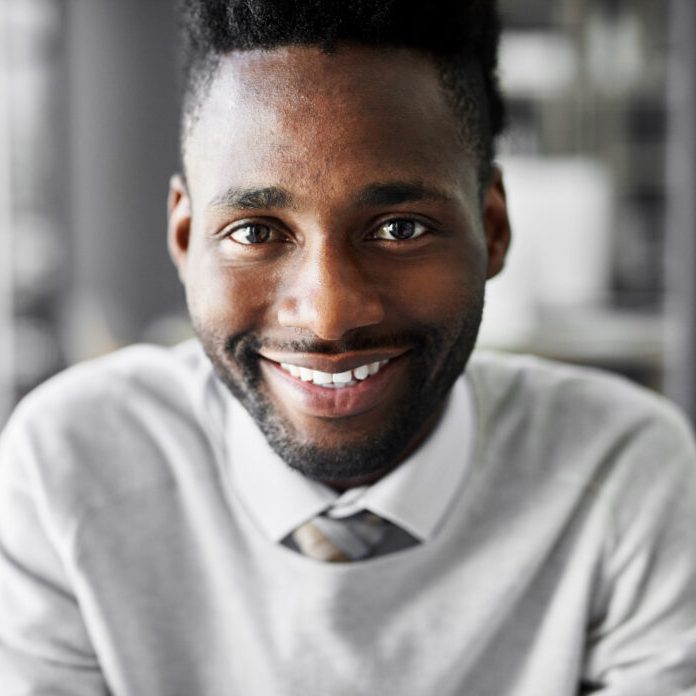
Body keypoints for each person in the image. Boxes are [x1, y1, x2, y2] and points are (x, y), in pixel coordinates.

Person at [1, 1, 695, 694]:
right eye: (254, 232)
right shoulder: (71, 468)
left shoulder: (621, 477)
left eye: (398, 229)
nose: (330, 315)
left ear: (494, 228)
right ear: (185, 238)